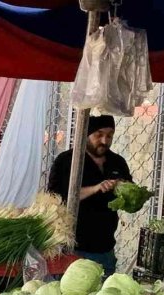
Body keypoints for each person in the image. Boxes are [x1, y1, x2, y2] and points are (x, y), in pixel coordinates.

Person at [47, 114, 133, 276]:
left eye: (109, 136)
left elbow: (131, 201)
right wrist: (95, 188)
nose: (104, 141)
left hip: (105, 249)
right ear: (86, 134)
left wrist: (125, 189)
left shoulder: (117, 162)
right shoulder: (66, 161)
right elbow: (56, 198)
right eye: (98, 135)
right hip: (72, 249)